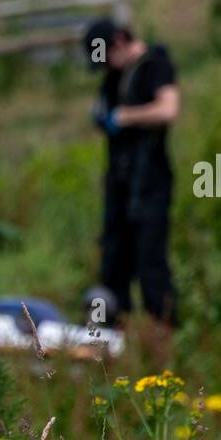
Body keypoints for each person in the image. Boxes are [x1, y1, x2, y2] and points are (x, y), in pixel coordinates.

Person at [82, 18, 181, 330]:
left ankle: (163, 340)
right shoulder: (115, 76)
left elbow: (168, 109)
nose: (107, 67)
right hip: (120, 183)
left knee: (150, 264)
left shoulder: (155, 65)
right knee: (113, 264)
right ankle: (112, 342)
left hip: (150, 182)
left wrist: (127, 116)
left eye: (107, 58)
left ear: (120, 42)